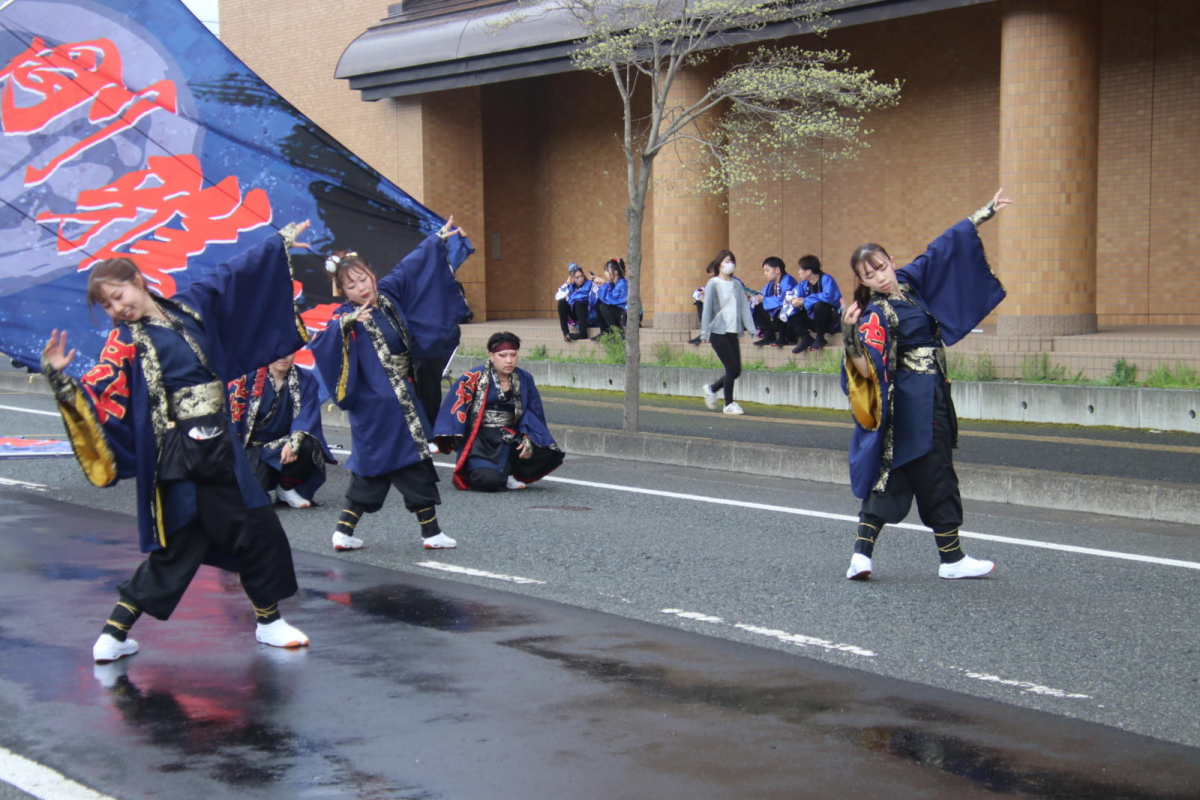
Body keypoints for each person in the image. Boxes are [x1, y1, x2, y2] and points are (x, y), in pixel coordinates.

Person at [40, 222, 315, 663]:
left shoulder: (187, 308)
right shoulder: (126, 342)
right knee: (216, 536)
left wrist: (277, 243)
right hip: (184, 454)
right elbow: (100, 386)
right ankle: (265, 622)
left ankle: (117, 633)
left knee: (215, 538)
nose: (117, 309)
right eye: (108, 305)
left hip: (221, 444)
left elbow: (231, 277)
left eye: (118, 295)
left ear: (138, 280)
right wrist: (60, 378)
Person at [841, 189, 1011, 581]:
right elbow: (863, 370)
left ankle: (865, 557)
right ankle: (947, 559)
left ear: (891, 262)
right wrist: (849, 335)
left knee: (902, 473)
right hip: (912, 404)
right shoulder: (875, 315)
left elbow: (941, 250)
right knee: (927, 473)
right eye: (869, 275)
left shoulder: (910, 283)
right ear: (862, 281)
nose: (879, 277)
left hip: (931, 395)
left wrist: (985, 213)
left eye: (881, 267)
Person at [309, 218, 470, 552]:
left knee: (376, 468)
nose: (361, 289)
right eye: (351, 286)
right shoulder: (345, 316)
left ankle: (344, 531)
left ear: (371, 273)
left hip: (400, 397)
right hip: (376, 404)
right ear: (343, 291)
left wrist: (437, 239)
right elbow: (323, 341)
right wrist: (347, 323)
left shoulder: (389, 295)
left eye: (363, 279)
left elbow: (411, 267)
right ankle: (430, 533)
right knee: (408, 463)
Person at [433, 331, 564, 491]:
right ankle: (481, 469)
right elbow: (454, 408)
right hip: (482, 439)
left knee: (549, 452)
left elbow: (532, 411)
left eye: (513, 355)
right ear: (491, 355)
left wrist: (528, 437)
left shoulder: (524, 378)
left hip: (511, 436)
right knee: (489, 482)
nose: (509, 360)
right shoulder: (473, 377)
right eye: (502, 355)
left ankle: (511, 473)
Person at [228, 350, 335, 509]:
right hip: (252, 447)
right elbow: (233, 419)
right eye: (277, 352)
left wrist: (293, 442)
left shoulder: (305, 378)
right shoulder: (246, 377)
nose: (283, 357)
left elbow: (307, 416)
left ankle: (286, 487)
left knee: (308, 444)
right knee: (254, 501)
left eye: (289, 352)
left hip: (283, 444)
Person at [698, 250, 756, 415]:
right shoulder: (713, 284)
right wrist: (704, 333)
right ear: (719, 264)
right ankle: (728, 404)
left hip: (732, 331)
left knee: (736, 370)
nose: (729, 264)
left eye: (731, 261)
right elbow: (707, 309)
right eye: (726, 261)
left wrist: (751, 329)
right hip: (718, 332)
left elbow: (744, 308)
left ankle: (712, 388)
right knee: (731, 368)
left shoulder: (736, 284)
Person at [783, 255, 843, 354]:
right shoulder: (804, 284)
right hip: (813, 321)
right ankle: (806, 337)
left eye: (800, 269)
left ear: (808, 271)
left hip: (829, 320)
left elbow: (828, 296)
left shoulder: (827, 279)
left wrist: (805, 300)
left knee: (820, 305)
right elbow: (792, 294)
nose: (798, 272)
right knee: (791, 308)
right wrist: (794, 299)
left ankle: (820, 338)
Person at [750, 256, 799, 347]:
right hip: (777, 319)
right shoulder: (771, 283)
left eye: (767, 270)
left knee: (779, 307)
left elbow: (784, 300)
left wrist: (763, 299)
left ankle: (783, 336)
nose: (765, 274)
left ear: (777, 270)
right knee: (755, 304)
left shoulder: (788, 281)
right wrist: (754, 297)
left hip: (792, 319)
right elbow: (761, 294)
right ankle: (768, 335)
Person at [556, 264, 596, 342]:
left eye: (581, 276)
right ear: (572, 278)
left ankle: (583, 333)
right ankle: (566, 333)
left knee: (578, 301)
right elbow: (558, 296)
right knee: (561, 302)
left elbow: (581, 295)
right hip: (575, 314)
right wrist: (566, 284)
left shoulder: (588, 284)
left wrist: (570, 297)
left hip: (586, 314)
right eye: (577, 277)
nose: (580, 279)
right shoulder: (570, 286)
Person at [592, 258, 628, 339]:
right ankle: (604, 332)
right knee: (598, 304)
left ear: (615, 272)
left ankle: (614, 333)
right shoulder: (613, 283)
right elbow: (604, 297)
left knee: (604, 306)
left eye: (607, 271)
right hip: (619, 313)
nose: (605, 273)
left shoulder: (623, 284)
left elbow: (611, 300)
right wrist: (602, 284)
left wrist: (604, 284)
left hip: (625, 316)